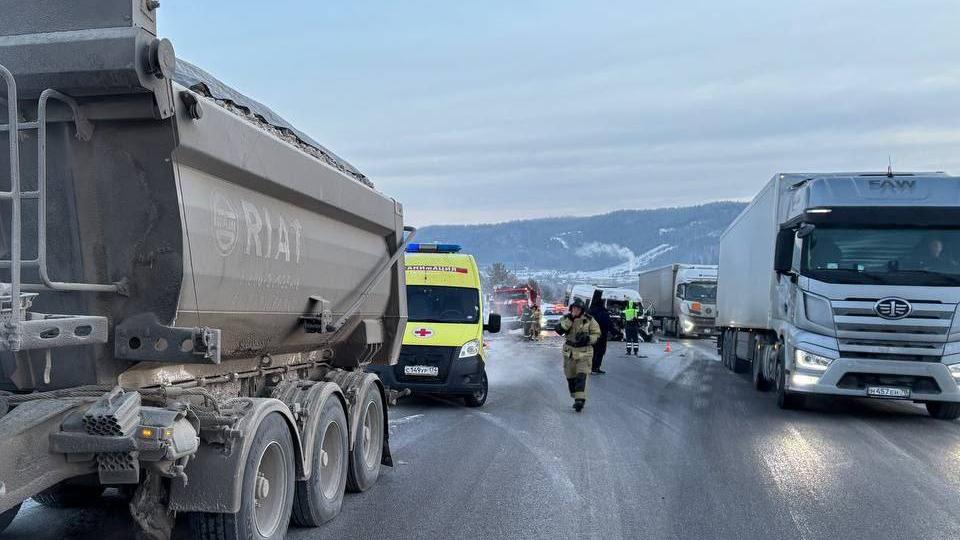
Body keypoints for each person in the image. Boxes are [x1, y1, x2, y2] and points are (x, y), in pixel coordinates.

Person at [555, 298, 601, 412]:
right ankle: (576, 395)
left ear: (582, 310)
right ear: (571, 308)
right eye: (574, 308)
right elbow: (560, 330)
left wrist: (588, 338)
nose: (576, 310)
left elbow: (597, 334)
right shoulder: (566, 318)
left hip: (584, 352)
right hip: (569, 352)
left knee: (581, 375)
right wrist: (570, 319)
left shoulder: (589, 320)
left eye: (578, 308)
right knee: (570, 376)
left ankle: (579, 400)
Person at [587, 289, 612, 374]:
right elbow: (607, 322)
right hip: (601, 334)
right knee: (599, 351)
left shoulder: (590, 310)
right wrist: (615, 332)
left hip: (591, 334)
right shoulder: (602, 311)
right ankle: (595, 367)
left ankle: (591, 367)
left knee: (592, 350)